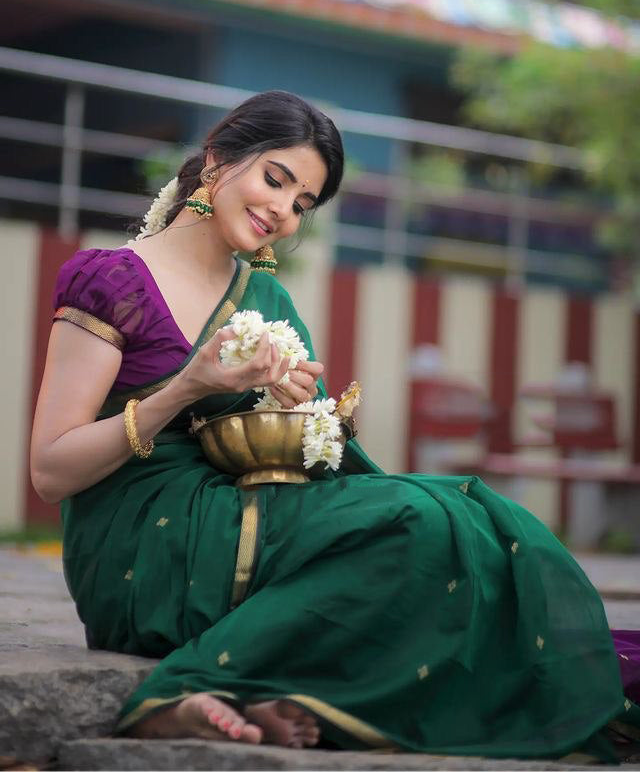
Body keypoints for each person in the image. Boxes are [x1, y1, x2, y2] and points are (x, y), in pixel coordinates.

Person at [31, 90, 639, 759]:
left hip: (241, 513)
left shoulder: (268, 300)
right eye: (276, 179)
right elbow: (51, 470)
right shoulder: (113, 280)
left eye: (302, 204)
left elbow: (297, 461)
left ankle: (258, 681)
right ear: (217, 159)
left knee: (468, 517)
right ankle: (175, 696)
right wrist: (187, 388)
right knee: (415, 522)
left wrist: (299, 414)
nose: (282, 212)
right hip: (143, 544)